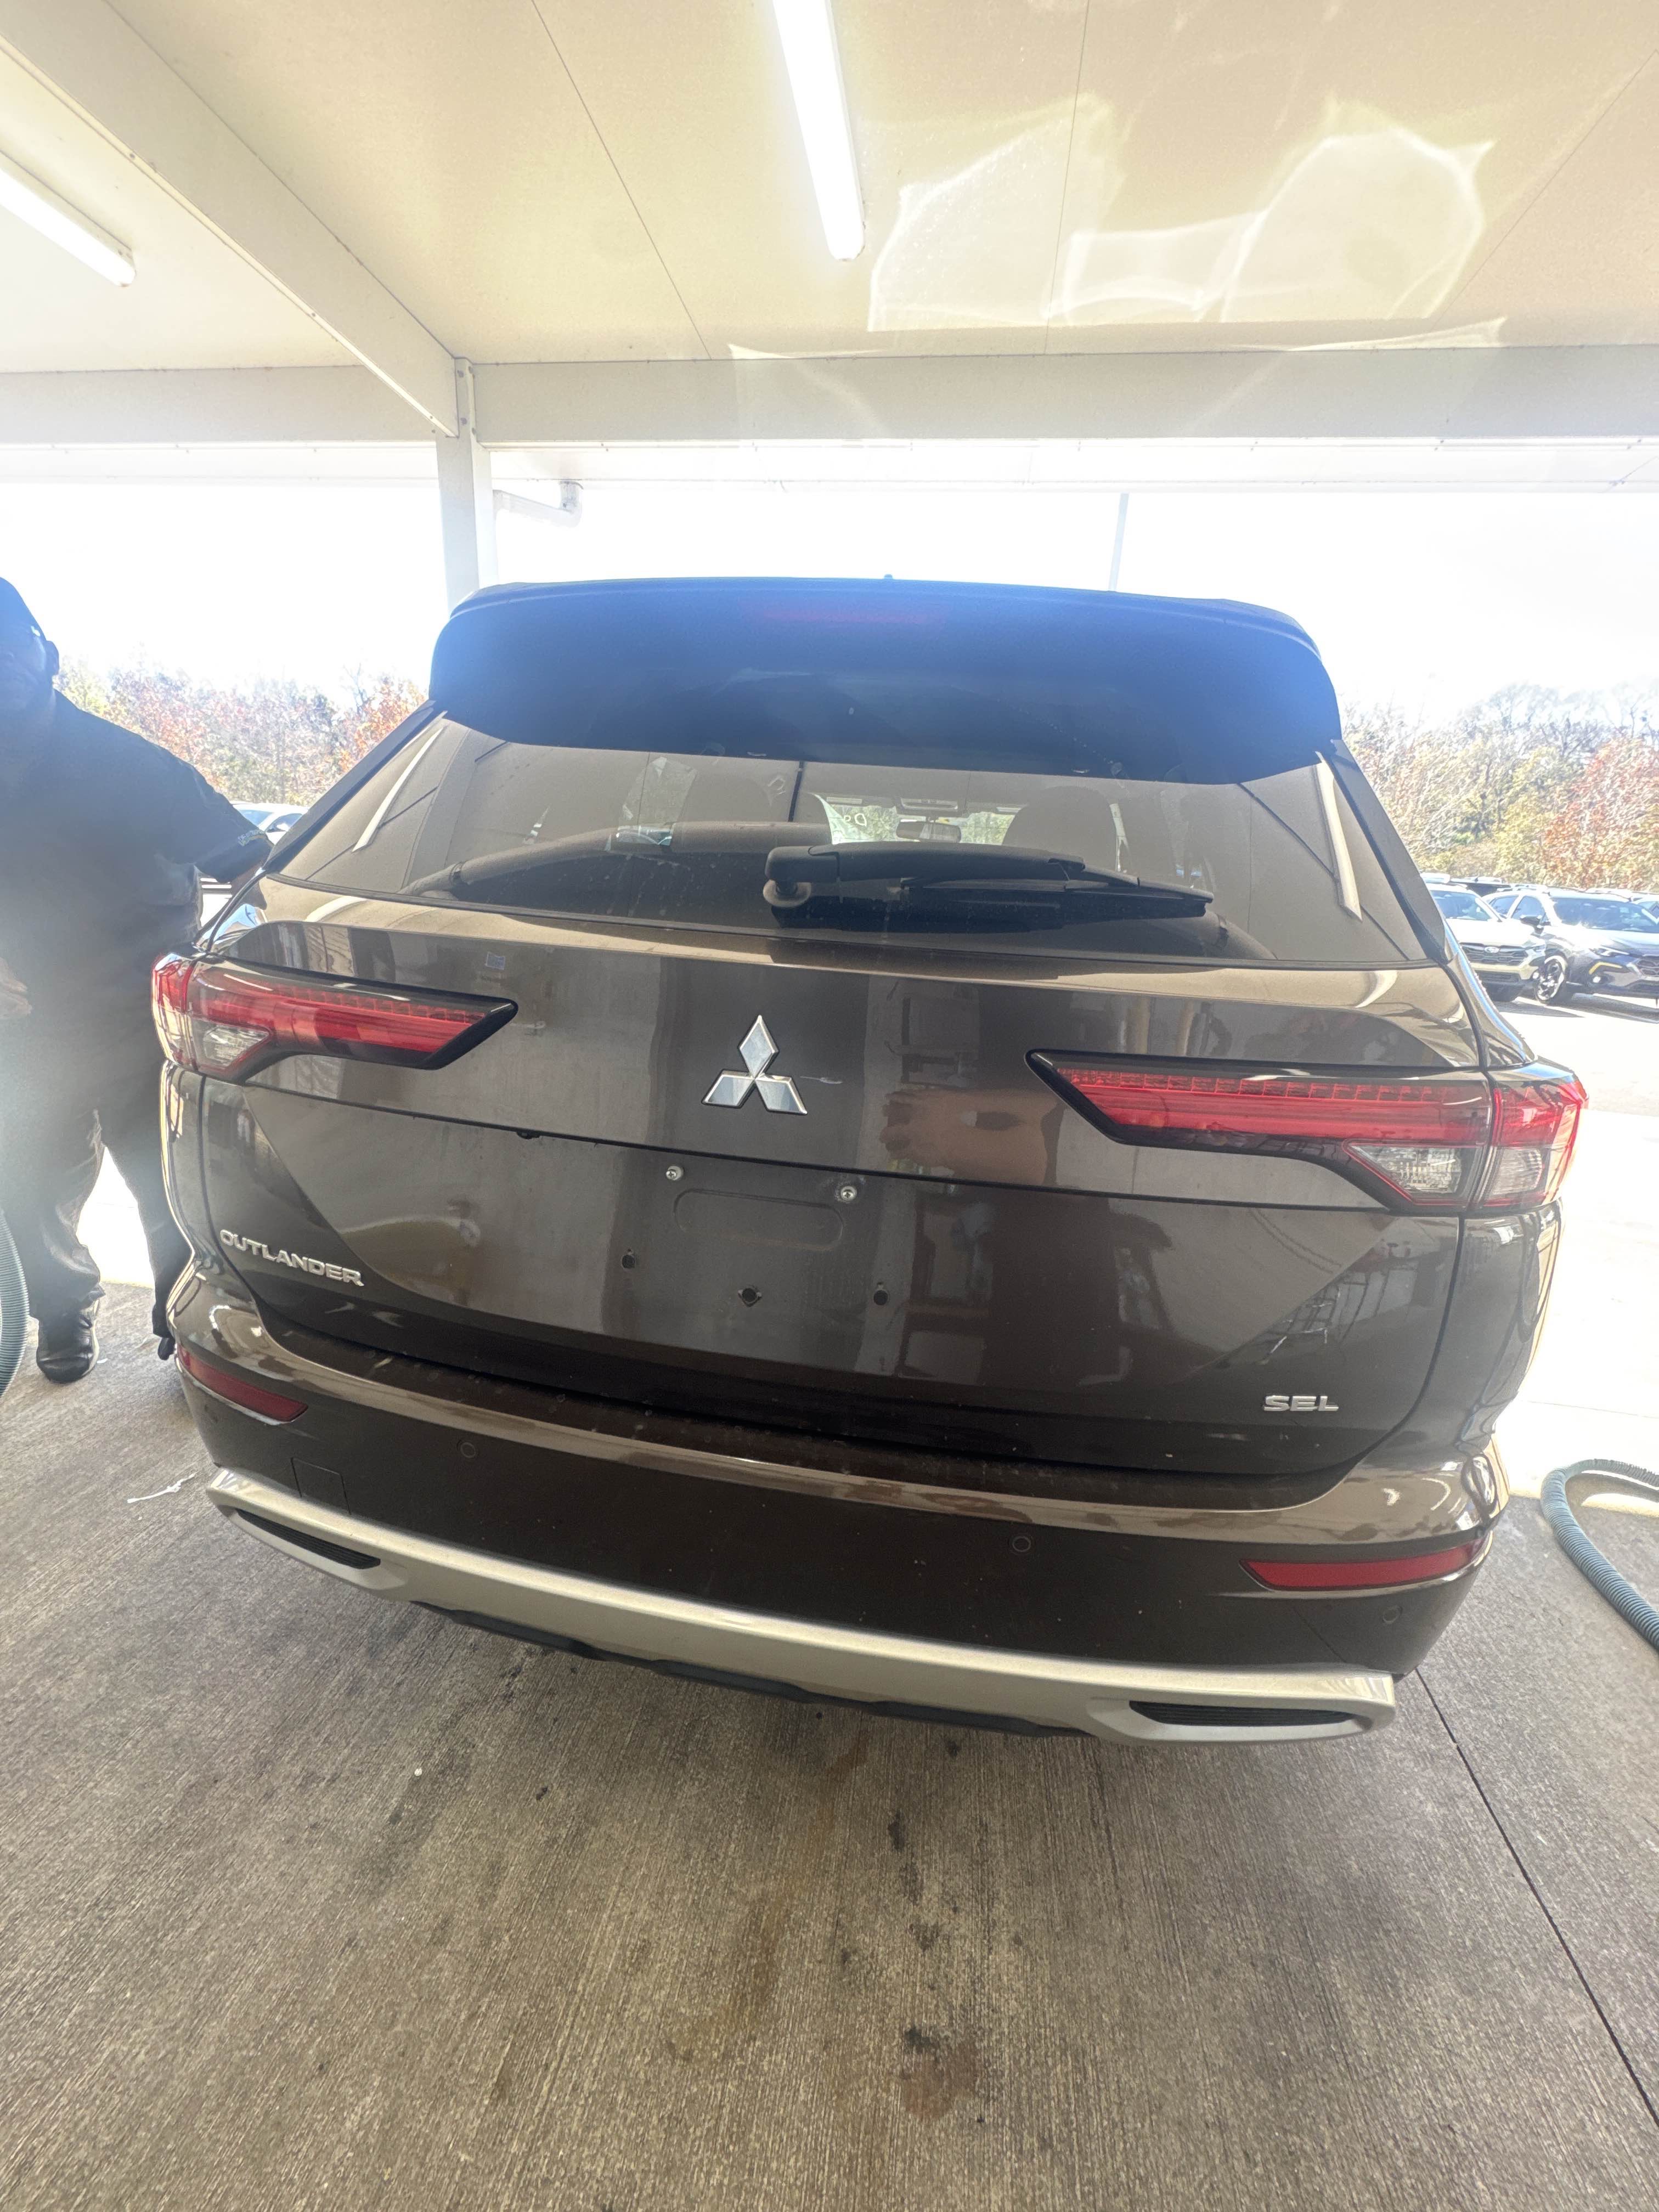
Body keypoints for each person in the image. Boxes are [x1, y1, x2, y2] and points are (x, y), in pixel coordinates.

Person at [0, 579, 272, 1383]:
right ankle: (62, 1307)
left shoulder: (130, 765)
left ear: (48, 657)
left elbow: (253, 867)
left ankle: (179, 1324)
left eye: (8, 649)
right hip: (22, 1028)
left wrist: (218, 968)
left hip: (139, 1016)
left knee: (168, 1188)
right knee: (30, 1184)